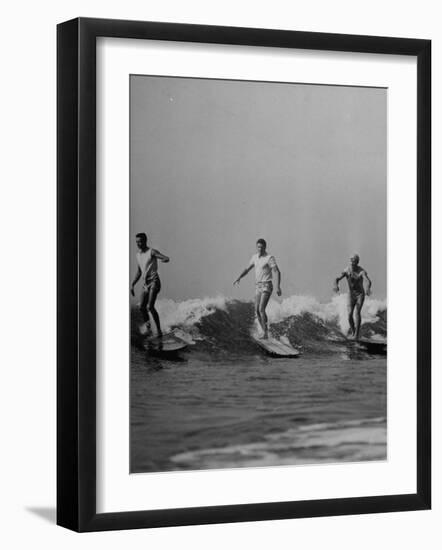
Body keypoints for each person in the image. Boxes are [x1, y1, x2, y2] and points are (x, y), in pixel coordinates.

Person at [233, 238, 282, 339]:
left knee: (261, 309)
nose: (259, 249)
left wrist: (278, 286)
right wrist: (239, 277)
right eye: (258, 247)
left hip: (267, 285)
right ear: (256, 247)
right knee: (256, 310)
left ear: (265, 247)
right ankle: (265, 331)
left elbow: (277, 272)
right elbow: (247, 269)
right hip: (258, 286)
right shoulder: (254, 257)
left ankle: (265, 334)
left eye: (261, 247)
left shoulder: (269, 258)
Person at [131, 232, 170, 337]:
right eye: (137, 242)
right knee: (142, 307)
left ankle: (159, 331)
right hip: (145, 284)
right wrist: (132, 284)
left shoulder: (152, 252)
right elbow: (139, 271)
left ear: (145, 241)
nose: (138, 244)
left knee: (150, 307)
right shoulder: (138, 255)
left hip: (154, 282)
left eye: (140, 241)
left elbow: (164, 257)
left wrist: (165, 259)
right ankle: (148, 328)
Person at [333, 254, 372, 340]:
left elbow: (368, 281)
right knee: (349, 315)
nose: (351, 262)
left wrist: (368, 288)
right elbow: (337, 278)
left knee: (357, 312)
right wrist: (336, 285)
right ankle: (354, 332)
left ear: (357, 262)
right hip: (350, 295)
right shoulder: (347, 270)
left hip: (360, 294)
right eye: (350, 260)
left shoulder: (361, 271)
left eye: (353, 261)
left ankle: (356, 335)